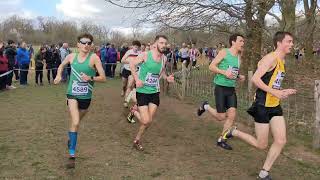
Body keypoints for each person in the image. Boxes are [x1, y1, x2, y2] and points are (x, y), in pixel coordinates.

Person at [221, 32, 296, 180]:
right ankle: (234, 132)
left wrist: (280, 92)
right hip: (262, 105)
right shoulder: (271, 58)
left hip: (275, 105)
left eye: (292, 42)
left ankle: (264, 173)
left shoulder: (282, 60)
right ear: (279, 43)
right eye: (289, 41)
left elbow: (272, 82)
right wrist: (276, 92)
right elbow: (255, 79)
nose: (292, 44)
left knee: (281, 140)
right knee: (261, 145)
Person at [54, 33, 106, 168]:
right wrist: (59, 75)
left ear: (91, 45)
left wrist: (91, 78)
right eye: (83, 42)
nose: (86, 45)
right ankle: (72, 155)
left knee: (74, 123)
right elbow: (61, 65)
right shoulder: (71, 56)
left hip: (86, 98)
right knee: (76, 122)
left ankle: (70, 138)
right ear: (78, 44)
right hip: (72, 94)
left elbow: (103, 77)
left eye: (89, 43)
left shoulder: (94, 58)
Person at [197, 33, 245, 150]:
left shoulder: (239, 57)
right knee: (221, 117)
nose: (243, 43)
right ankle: (206, 106)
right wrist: (224, 73)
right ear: (233, 42)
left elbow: (232, 71)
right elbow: (211, 66)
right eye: (241, 41)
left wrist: (239, 76)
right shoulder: (224, 52)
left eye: (243, 41)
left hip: (231, 88)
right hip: (221, 88)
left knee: (232, 114)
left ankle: (222, 139)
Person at [129, 35, 174, 151]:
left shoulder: (164, 58)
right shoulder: (145, 55)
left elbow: (162, 71)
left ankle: (137, 140)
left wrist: (167, 78)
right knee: (146, 120)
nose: (164, 45)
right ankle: (134, 110)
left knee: (148, 121)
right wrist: (137, 79)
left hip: (154, 91)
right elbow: (132, 64)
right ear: (155, 44)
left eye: (165, 43)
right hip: (142, 91)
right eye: (161, 43)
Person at [121, 40, 141, 108]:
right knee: (124, 84)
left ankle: (126, 101)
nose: (136, 48)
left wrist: (136, 63)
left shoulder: (140, 53)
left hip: (132, 71)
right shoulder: (129, 52)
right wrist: (130, 61)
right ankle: (123, 89)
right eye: (135, 47)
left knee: (129, 86)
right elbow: (122, 60)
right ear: (132, 46)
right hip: (126, 69)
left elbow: (140, 62)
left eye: (137, 47)